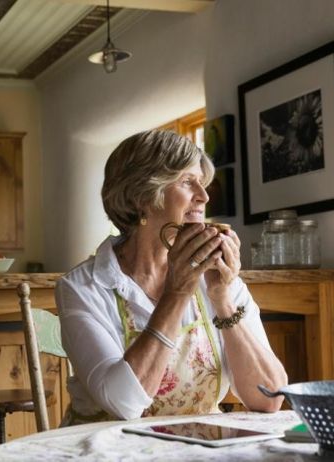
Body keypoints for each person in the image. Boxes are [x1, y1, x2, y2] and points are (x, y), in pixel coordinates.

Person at [56, 130, 287, 425]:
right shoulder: (82, 287)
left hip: (198, 450)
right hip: (111, 450)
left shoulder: (217, 278)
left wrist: (223, 300)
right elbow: (123, 404)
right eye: (187, 182)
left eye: (202, 184)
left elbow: (269, 398)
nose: (204, 196)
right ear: (142, 195)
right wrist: (177, 293)